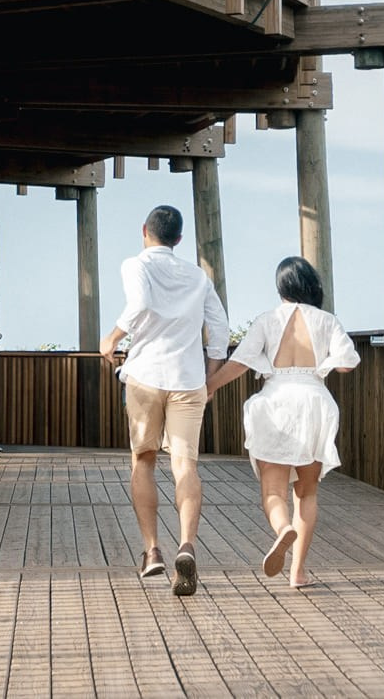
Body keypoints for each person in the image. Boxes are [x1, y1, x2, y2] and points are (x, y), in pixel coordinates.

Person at [205, 256, 360, 589]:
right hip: (314, 403)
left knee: (273, 491)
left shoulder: (267, 320)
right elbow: (348, 363)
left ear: (282, 287)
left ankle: (281, 530)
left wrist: (210, 387)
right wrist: (323, 366)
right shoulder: (327, 321)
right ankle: (298, 572)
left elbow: (241, 363)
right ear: (312, 285)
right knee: (307, 493)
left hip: (274, 402)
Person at [99, 204, 229, 597]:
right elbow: (219, 329)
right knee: (185, 465)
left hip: (146, 376)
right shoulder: (197, 276)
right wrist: (209, 376)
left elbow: (138, 305)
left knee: (143, 460)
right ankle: (187, 545)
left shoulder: (136, 265)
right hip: (188, 381)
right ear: (179, 240)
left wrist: (112, 338)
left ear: (144, 231)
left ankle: (152, 550)